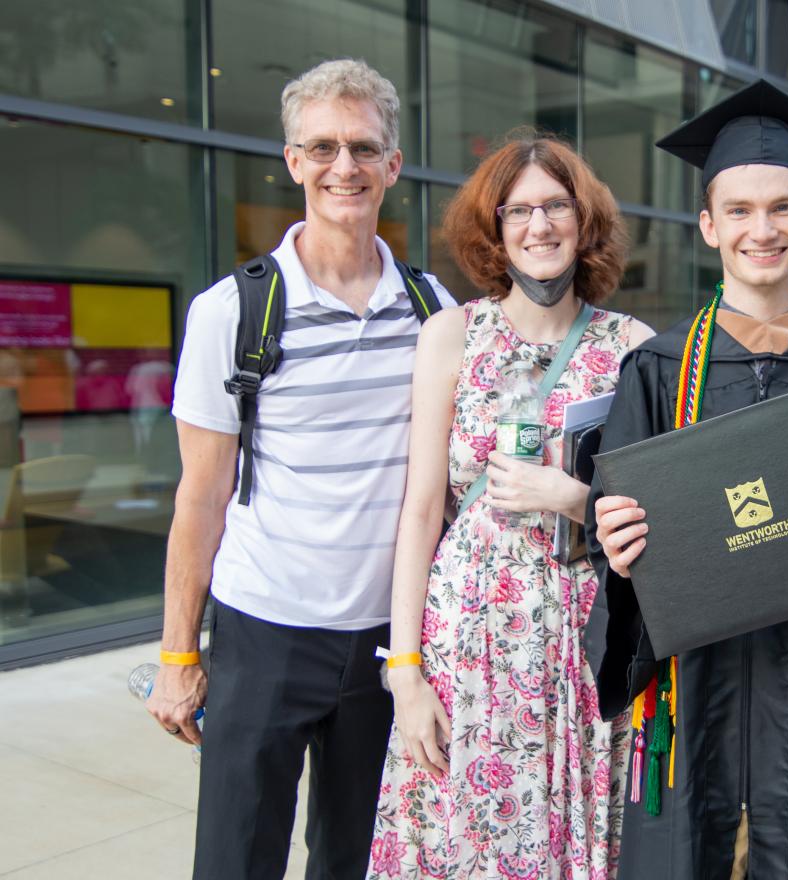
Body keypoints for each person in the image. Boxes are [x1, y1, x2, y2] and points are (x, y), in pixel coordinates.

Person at [588, 80, 788, 879]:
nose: (761, 229)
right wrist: (617, 544)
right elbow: (624, 542)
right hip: (695, 696)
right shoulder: (657, 371)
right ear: (708, 226)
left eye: (781, 208)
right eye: (738, 210)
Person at [146, 59, 457, 879]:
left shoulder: (438, 314)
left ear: (394, 165)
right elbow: (200, 498)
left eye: (363, 148)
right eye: (321, 148)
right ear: (293, 162)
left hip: (389, 645)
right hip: (264, 633)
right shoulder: (231, 313)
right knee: (235, 858)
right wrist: (181, 655)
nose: (342, 167)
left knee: (355, 862)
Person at [368, 133, 649, 879]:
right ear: (493, 229)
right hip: (470, 642)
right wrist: (405, 674)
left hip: (585, 642)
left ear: (583, 220)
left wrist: (575, 498)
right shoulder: (451, 335)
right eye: (518, 209)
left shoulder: (633, 347)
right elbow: (423, 509)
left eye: (556, 205)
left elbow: (661, 511)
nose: (539, 225)